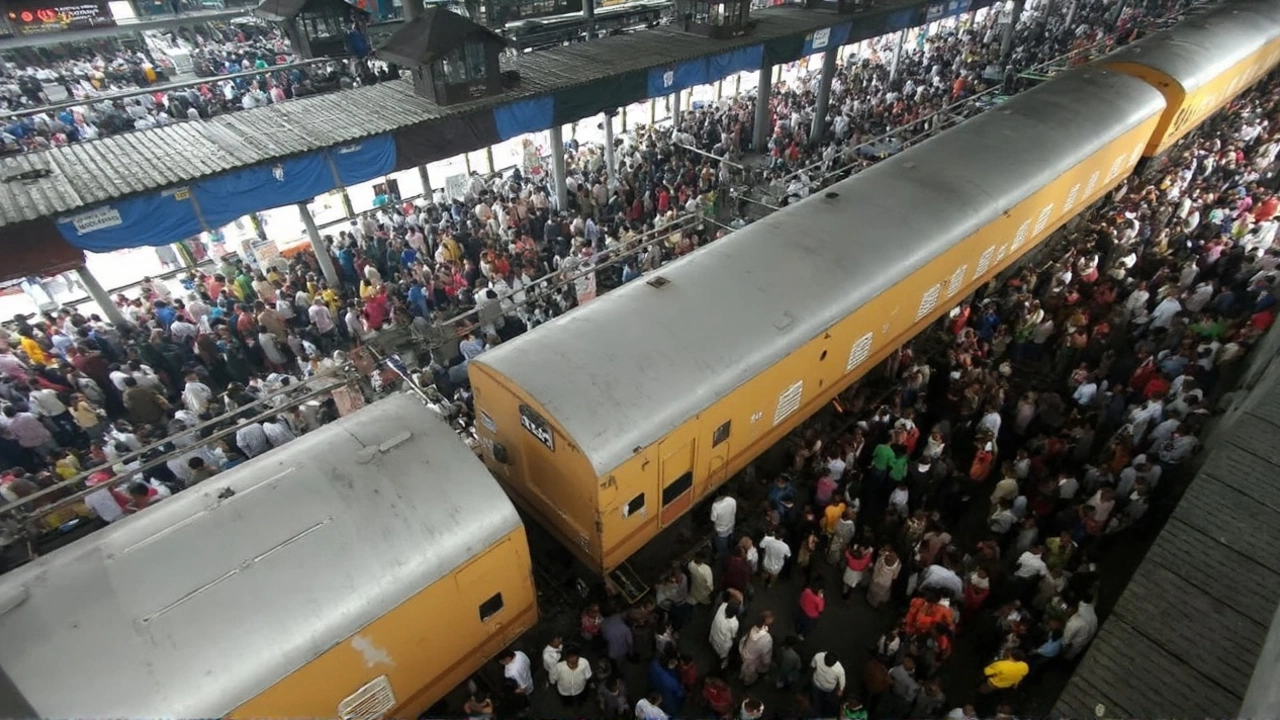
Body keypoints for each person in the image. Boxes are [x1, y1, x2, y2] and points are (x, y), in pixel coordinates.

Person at [709, 588, 742, 669]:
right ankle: (723, 663)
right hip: (723, 645)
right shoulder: (734, 623)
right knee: (725, 655)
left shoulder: (722, 606)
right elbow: (733, 636)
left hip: (714, 636)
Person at [738, 612, 773, 685]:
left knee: (744, 671)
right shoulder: (767, 639)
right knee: (750, 677)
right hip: (754, 662)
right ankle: (746, 684)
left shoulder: (752, 630)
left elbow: (743, 641)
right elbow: (766, 657)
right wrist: (766, 664)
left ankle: (741, 678)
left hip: (745, 656)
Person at [810, 651, 846, 717]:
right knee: (816, 703)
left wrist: (840, 690)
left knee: (827, 704)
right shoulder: (818, 657)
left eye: (830, 664)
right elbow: (812, 666)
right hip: (816, 685)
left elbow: (842, 681)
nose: (828, 664)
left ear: (835, 663)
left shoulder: (839, 670)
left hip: (829, 690)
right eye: (827, 662)